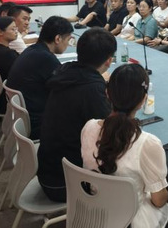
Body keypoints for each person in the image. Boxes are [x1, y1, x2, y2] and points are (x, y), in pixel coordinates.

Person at [81, 63, 168, 227]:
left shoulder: (88, 128)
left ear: (107, 93)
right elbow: (158, 200)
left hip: (93, 210)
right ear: (143, 100)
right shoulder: (147, 144)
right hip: (130, 219)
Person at [37, 28, 115, 202]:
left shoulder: (65, 72)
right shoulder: (92, 90)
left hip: (48, 170)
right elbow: (110, 130)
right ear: (109, 60)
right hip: (65, 184)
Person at [7, 16, 74, 140]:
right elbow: (68, 89)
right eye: (69, 39)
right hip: (38, 124)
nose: (68, 44)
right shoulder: (46, 58)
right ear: (58, 39)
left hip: (21, 119)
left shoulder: (32, 50)